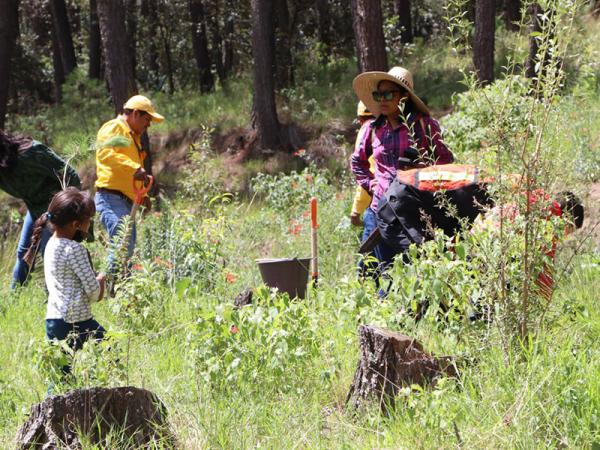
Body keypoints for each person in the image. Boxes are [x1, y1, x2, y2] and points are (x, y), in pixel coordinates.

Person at [351, 66, 454, 280]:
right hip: (380, 210)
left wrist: (420, 177)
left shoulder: (425, 126)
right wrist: (372, 186)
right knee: (383, 275)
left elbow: (445, 163)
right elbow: (357, 162)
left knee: (417, 274)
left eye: (389, 94)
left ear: (404, 96)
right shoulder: (372, 128)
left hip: (414, 212)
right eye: (378, 95)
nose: (382, 99)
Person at [23, 188, 105, 371]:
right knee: (111, 355)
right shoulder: (74, 249)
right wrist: (101, 280)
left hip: (54, 320)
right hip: (77, 321)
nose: (90, 223)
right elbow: (93, 292)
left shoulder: (50, 244)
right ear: (76, 224)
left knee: (60, 375)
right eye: (89, 220)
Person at [0, 130, 81, 288]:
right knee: (24, 254)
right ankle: (10, 303)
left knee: (50, 255)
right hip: (35, 208)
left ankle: (55, 304)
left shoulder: (32, 154)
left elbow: (71, 176)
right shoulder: (3, 170)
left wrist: (68, 211)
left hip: (57, 208)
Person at [94, 95, 164, 272]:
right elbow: (105, 154)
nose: (148, 125)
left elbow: (130, 175)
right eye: (147, 119)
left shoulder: (134, 138)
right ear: (134, 114)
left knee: (128, 248)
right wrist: (134, 168)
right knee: (121, 245)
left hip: (126, 200)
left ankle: (116, 291)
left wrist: (144, 195)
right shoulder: (114, 127)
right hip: (110, 198)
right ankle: (103, 285)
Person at [350, 101, 375, 227]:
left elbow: (369, 176)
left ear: (360, 119)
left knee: (368, 244)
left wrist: (356, 210)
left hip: (378, 202)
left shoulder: (367, 130)